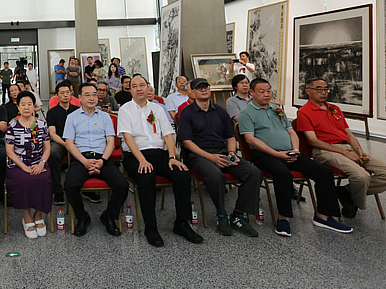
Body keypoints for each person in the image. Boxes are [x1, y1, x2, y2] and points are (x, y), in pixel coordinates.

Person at [239, 78, 352, 236]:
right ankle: (283, 218)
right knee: (283, 174)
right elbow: (250, 139)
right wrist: (277, 154)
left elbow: (291, 131)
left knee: (324, 172)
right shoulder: (246, 113)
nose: (266, 94)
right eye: (261, 91)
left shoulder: (276, 109)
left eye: (268, 91)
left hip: (289, 152)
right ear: (251, 93)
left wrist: (296, 150)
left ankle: (323, 216)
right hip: (265, 155)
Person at [297, 77, 386, 218]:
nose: (323, 92)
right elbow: (314, 141)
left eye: (326, 89)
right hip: (326, 151)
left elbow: (349, 134)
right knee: (361, 176)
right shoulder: (304, 112)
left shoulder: (335, 109)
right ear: (308, 91)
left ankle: (346, 192)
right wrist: (346, 154)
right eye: (319, 89)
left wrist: (360, 152)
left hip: (348, 148)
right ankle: (355, 200)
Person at [117, 75, 202, 246]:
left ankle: (182, 223)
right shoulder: (125, 110)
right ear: (130, 90)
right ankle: (151, 227)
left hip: (159, 154)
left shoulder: (158, 109)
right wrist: (142, 160)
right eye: (135, 86)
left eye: (142, 85)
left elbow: (168, 134)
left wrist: (172, 157)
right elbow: (128, 138)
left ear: (149, 88)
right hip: (136, 156)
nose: (139, 88)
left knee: (182, 173)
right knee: (147, 177)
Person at [177, 78, 262, 237]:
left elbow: (231, 137)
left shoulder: (221, 111)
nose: (204, 90)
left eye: (206, 87)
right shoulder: (186, 113)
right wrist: (210, 157)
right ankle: (221, 214)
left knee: (253, 172)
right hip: (198, 155)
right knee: (216, 176)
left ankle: (238, 214)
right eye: (199, 88)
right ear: (193, 93)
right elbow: (187, 142)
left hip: (223, 152)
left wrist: (231, 153)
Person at [63, 83, 129, 237]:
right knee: (70, 185)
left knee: (122, 185)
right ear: (79, 97)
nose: (92, 98)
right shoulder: (72, 117)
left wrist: (102, 161)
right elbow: (69, 143)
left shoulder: (105, 117)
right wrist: (85, 162)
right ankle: (82, 216)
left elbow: (111, 142)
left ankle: (110, 215)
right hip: (81, 158)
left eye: (94, 94)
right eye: (87, 94)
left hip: (102, 158)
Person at [6, 91, 52, 238]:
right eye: (23, 104)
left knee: (43, 179)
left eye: (29, 104)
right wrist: (24, 167)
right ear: (18, 107)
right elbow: (10, 151)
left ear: (34, 106)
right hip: (18, 163)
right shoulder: (12, 125)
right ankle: (27, 216)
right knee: (24, 180)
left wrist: (41, 164)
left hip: (38, 161)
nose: (26, 107)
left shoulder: (42, 124)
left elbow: (47, 148)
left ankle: (38, 215)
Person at [47, 81, 78, 205]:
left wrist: (72, 144)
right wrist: (66, 144)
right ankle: (58, 190)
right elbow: (52, 134)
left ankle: (83, 188)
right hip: (60, 142)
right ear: (57, 96)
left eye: (68, 92)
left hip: (76, 142)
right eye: (62, 93)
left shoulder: (77, 110)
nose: (65, 95)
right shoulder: (52, 112)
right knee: (52, 153)